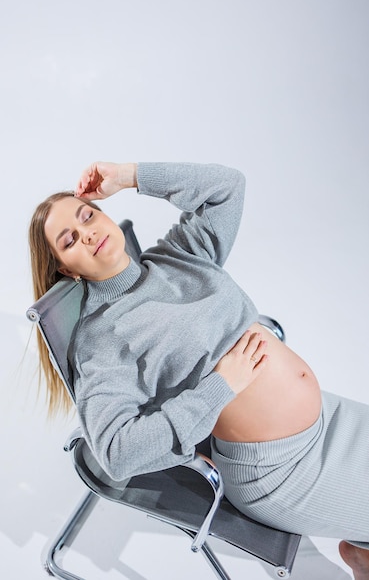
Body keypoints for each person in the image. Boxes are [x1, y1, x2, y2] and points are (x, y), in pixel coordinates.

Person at [29, 161, 369, 579]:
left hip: (332, 423)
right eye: (70, 240)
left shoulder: (176, 255)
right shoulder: (102, 340)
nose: (89, 233)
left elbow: (227, 187)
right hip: (279, 468)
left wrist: (130, 176)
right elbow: (117, 454)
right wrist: (220, 386)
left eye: (88, 216)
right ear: (67, 268)